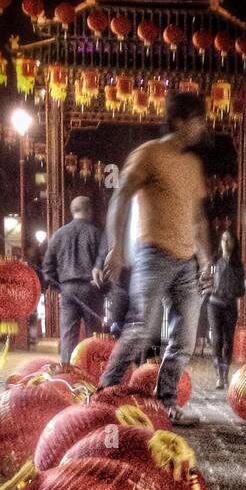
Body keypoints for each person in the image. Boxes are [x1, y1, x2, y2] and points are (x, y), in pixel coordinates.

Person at [95, 89, 211, 424]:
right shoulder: (149, 154)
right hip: (152, 254)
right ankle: (106, 393)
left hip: (186, 263)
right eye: (198, 120)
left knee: (185, 337)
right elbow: (121, 197)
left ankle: (167, 401)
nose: (202, 127)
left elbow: (197, 218)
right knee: (141, 330)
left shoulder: (192, 165)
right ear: (178, 120)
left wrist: (206, 261)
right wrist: (116, 247)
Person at [42, 196, 106, 365]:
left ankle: (67, 374)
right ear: (90, 211)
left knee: (68, 337)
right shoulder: (98, 233)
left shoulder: (59, 234)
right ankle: (93, 374)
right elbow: (107, 264)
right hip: (92, 289)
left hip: (68, 289)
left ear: (73, 211)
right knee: (94, 337)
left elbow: (47, 269)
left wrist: (60, 287)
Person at [205, 229, 245, 388]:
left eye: (228, 239)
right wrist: (210, 287)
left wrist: (234, 290)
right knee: (217, 339)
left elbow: (242, 289)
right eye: (223, 239)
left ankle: (225, 374)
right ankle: (218, 376)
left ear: (234, 243)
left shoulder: (238, 265)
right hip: (214, 304)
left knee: (228, 341)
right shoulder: (215, 262)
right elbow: (206, 279)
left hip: (230, 305)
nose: (225, 242)